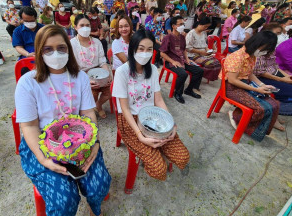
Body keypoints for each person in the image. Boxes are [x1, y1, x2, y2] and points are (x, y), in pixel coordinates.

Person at [15, 25, 111, 216]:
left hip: (80, 141)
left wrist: (95, 142)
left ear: (69, 49)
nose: (55, 54)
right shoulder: (27, 82)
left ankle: (95, 210)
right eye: (48, 49)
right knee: (65, 200)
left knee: (98, 185)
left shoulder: (81, 77)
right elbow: (29, 125)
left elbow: (88, 114)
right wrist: (44, 160)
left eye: (61, 48)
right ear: (39, 51)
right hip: (42, 144)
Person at [112, 30, 190, 181]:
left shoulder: (153, 69)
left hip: (153, 117)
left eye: (149, 49)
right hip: (131, 121)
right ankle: (153, 151)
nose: (145, 53)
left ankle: (160, 148)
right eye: (141, 48)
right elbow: (125, 108)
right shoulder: (122, 72)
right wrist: (140, 136)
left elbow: (159, 100)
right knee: (159, 169)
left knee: (183, 157)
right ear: (132, 48)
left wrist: (171, 123)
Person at [222, 31, 282, 141]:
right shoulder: (237, 57)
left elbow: (250, 73)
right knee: (261, 108)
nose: (264, 53)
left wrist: (262, 85)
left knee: (274, 104)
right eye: (264, 49)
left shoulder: (251, 56)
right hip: (231, 88)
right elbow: (232, 80)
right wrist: (256, 89)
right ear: (257, 44)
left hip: (244, 84)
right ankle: (237, 116)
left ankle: (245, 120)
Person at [253, 23, 292, 118]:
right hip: (260, 78)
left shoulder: (271, 47)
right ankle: (267, 113)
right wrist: (282, 79)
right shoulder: (259, 48)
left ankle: (272, 114)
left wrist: (286, 76)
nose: (279, 36)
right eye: (277, 33)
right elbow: (259, 72)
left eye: (280, 34)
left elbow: (275, 65)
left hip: (273, 73)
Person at [70, 14, 111, 119]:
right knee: (92, 92)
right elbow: (72, 68)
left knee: (111, 89)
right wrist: (86, 80)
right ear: (75, 27)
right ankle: (88, 110)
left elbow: (102, 61)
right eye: (82, 25)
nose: (85, 28)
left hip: (98, 73)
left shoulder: (97, 42)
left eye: (87, 25)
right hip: (80, 75)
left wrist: (107, 75)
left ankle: (98, 105)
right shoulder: (72, 44)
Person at [160, 16, 204, 104]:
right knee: (183, 74)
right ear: (173, 26)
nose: (182, 26)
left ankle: (189, 90)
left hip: (182, 60)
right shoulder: (167, 37)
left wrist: (187, 59)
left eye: (183, 24)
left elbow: (184, 49)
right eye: (180, 24)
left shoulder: (182, 37)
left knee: (199, 70)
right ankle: (178, 93)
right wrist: (173, 61)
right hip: (171, 61)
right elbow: (162, 53)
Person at [185, 17, 221, 82]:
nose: (206, 28)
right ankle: (201, 75)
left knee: (217, 62)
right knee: (211, 64)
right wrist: (201, 52)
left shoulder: (204, 33)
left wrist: (208, 50)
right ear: (200, 24)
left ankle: (205, 76)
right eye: (205, 26)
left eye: (207, 27)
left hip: (202, 53)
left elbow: (205, 45)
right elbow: (188, 48)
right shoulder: (191, 33)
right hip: (192, 55)